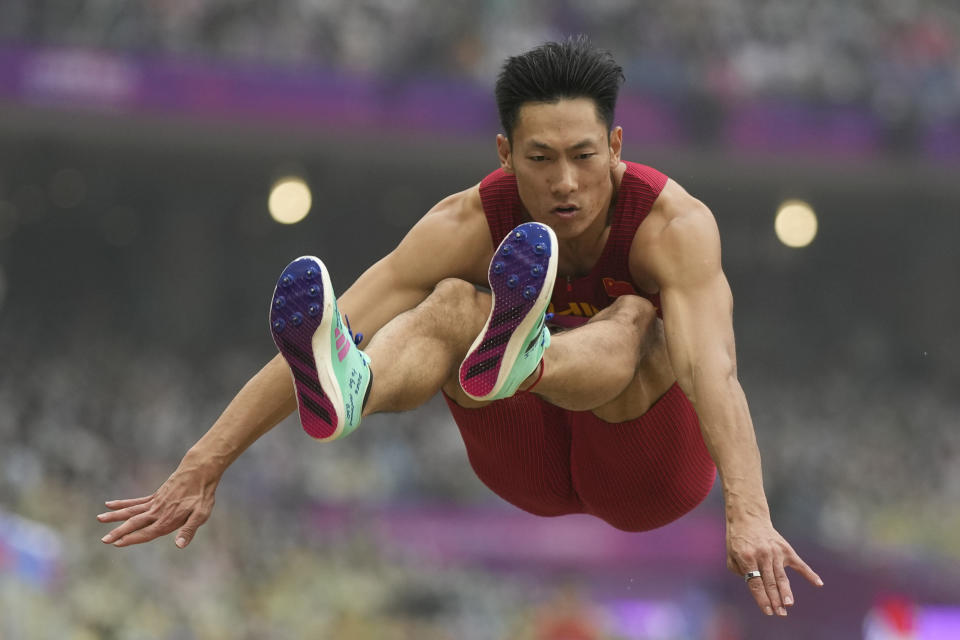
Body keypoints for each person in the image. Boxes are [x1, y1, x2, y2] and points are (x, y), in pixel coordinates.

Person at [98, 36, 822, 617]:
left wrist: (747, 512)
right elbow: (329, 328)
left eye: (584, 156)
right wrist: (205, 462)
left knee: (638, 315)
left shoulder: (674, 227)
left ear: (618, 146)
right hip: (521, 457)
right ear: (505, 155)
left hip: (646, 476)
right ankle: (365, 386)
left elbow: (713, 372)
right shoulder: (465, 222)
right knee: (449, 302)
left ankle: (525, 358)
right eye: (539, 159)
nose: (564, 182)